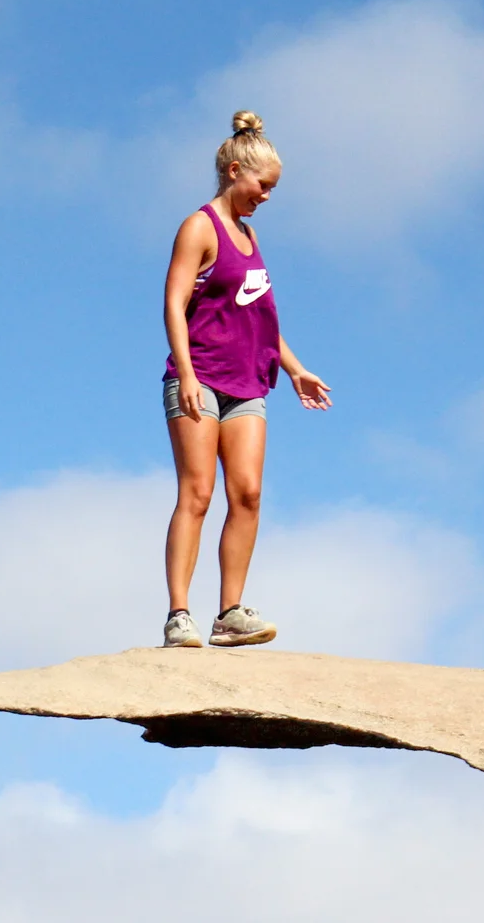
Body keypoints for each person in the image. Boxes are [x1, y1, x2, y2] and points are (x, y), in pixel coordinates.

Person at [161, 111, 331, 648]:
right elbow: (173, 302)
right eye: (263, 185)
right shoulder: (199, 227)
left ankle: (228, 614)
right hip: (201, 378)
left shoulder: (249, 235)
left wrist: (296, 368)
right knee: (198, 493)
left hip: (247, 384)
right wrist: (186, 372)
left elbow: (258, 314)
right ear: (235, 171)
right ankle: (179, 615)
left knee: (249, 494)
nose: (266, 196)